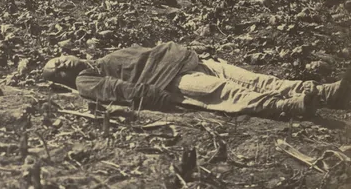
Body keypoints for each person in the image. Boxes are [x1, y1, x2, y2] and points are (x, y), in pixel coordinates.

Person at [42, 41, 351, 120]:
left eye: (57, 60)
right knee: (233, 94)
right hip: (175, 80)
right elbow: (120, 91)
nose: (62, 64)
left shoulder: (99, 59)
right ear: (63, 79)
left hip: (191, 62)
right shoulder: (86, 79)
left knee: (259, 80)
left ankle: (327, 93)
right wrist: (161, 100)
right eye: (57, 70)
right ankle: (294, 106)